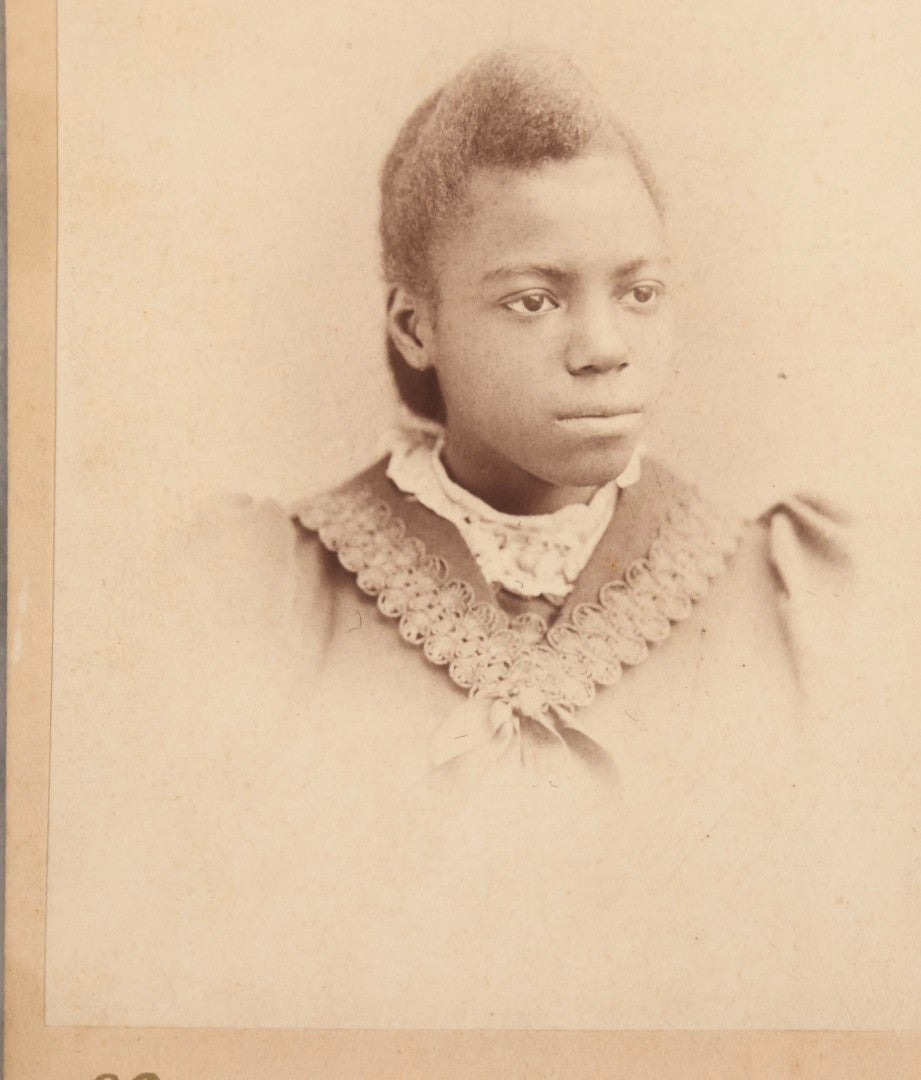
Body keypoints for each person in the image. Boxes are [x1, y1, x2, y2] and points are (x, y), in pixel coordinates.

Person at [48, 47, 868, 1030]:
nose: (604, 347)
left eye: (640, 291)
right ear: (414, 325)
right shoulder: (265, 596)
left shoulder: (799, 596)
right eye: (536, 299)